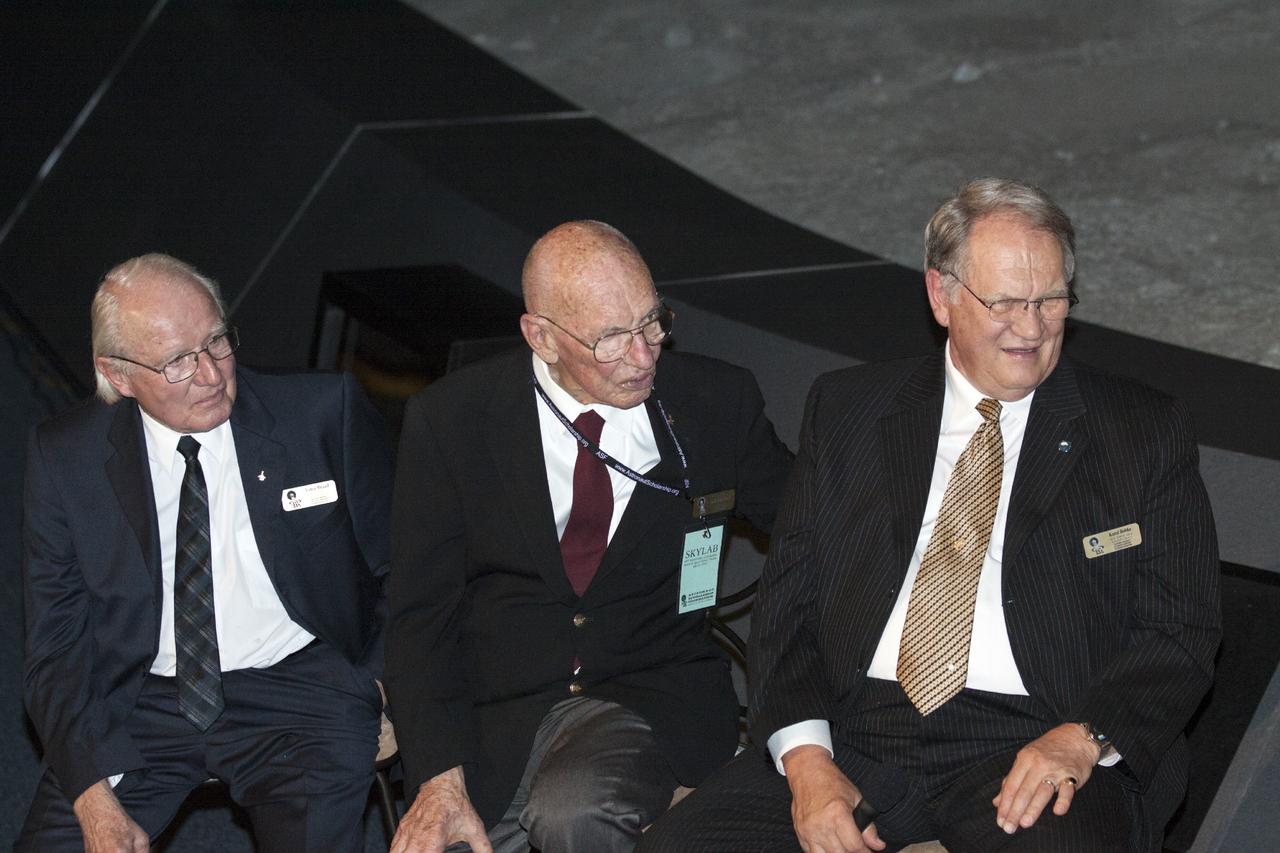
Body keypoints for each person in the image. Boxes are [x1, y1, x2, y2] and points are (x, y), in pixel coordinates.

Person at [638, 178, 1221, 853]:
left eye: (1051, 299)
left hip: (1035, 735)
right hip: (861, 727)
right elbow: (788, 610)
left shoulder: (1139, 431)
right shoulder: (850, 410)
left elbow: (1181, 626)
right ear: (941, 295)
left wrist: (1083, 736)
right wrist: (807, 762)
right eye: (1004, 301)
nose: (1031, 327)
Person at [386, 220, 794, 853]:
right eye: (610, 339)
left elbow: (813, 526)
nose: (642, 355)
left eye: (652, 323)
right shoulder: (452, 421)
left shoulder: (715, 403)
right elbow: (420, 617)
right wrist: (439, 779)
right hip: (497, 706)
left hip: (647, 694)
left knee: (575, 812)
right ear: (541, 337)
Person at [18, 253, 392, 851]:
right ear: (118, 375)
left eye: (217, 342)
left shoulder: (321, 416)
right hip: (141, 700)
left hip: (300, 690)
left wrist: (377, 683)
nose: (212, 375)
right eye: (177, 362)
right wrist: (92, 801)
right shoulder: (66, 458)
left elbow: (404, 568)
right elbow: (56, 649)